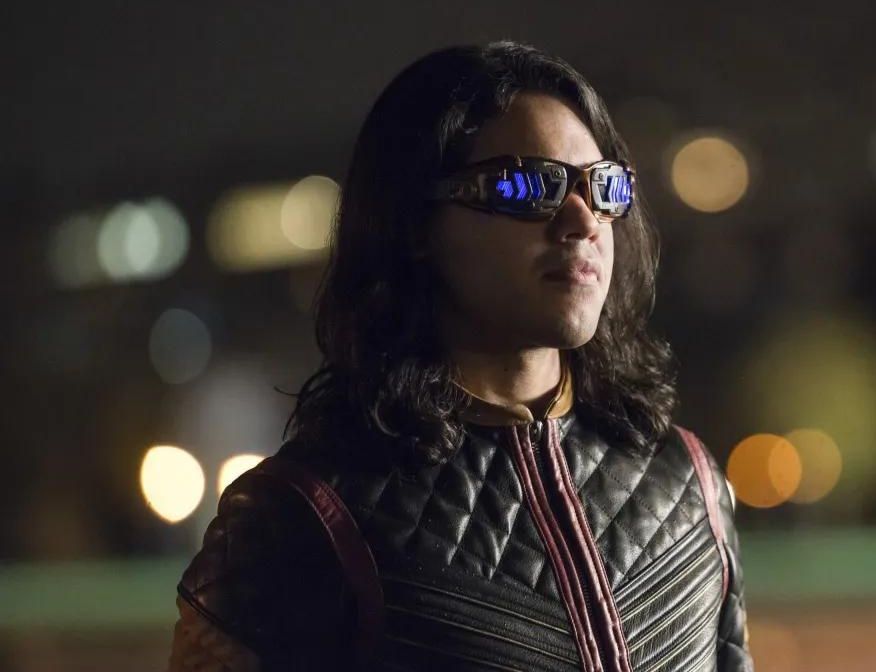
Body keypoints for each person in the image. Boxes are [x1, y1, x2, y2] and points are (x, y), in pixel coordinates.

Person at [168, 41, 753, 672]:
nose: (582, 221)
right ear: (415, 223)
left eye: (603, 186)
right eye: (529, 185)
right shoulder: (301, 518)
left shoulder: (688, 481)